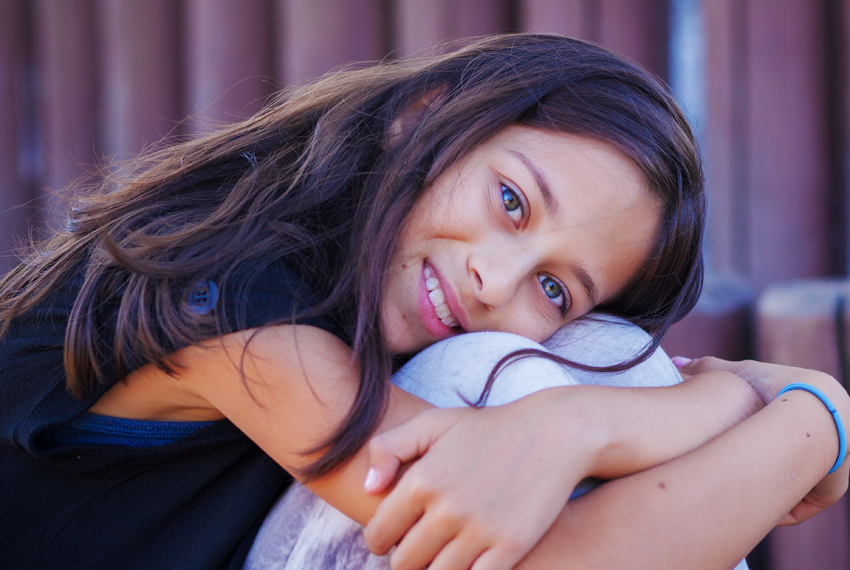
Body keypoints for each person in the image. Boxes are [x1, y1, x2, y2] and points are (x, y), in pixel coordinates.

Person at [0, 33, 846, 570]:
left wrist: (586, 421)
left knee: (598, 365)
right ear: (425, 114)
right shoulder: (230, 291)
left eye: (555, 289)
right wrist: (814, 418)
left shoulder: (375, 294)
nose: (495, 281)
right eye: (511, 201)